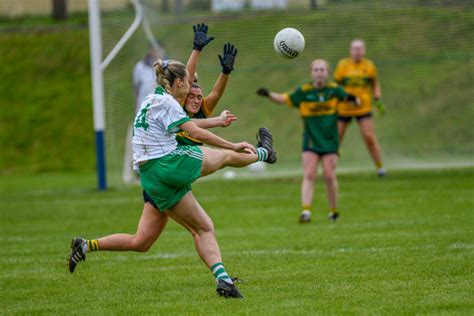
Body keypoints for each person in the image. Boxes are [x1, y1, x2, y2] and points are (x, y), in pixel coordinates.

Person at [68, 58, 277, 299]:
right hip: (169, 164)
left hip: (150, 179)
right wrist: (234, 143)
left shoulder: (150, 99)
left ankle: (85, 245)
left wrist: (218, 121)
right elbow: (195, 131)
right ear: (178, 83)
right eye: (188, 81)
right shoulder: (168, 103)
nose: (191, 84)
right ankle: (264, 153)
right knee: (224, 156)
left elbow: (191, 122)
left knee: (159, 237)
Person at [257, 59, 359, 223]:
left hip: (330, 140)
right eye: (316, 70)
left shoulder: (334, 90)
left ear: (327, 72)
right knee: (310, 174)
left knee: (329, 175)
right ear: (311, 73)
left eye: (322, 70)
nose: (319, 72)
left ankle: (333, 212)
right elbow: (283, 98)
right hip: (311, 140)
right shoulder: (303, 91)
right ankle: (306, 211)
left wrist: (355, 100)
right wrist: (269, 94)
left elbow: (350, 98)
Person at [334, 39, 386, 176]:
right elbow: (336, 87)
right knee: (336, 139)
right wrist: (346, 98)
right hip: (344, 108)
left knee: (369, 137)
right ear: (350, 51)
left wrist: (377, 96)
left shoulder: (369, 66)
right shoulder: (343, 66)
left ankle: (380, 168)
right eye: (355, 49)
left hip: (363, 108)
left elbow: (375, 84)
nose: (358, 52)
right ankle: (330, 170)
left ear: (364, 51)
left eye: (360, 49)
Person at [123, 47, 161, 184]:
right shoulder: (140, 67)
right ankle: (138, 174)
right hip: (142, 113)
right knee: (139, 145)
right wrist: (137, 108)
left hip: (158, 114)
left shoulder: (164, 66)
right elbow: (136, 88)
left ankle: (157, 173)